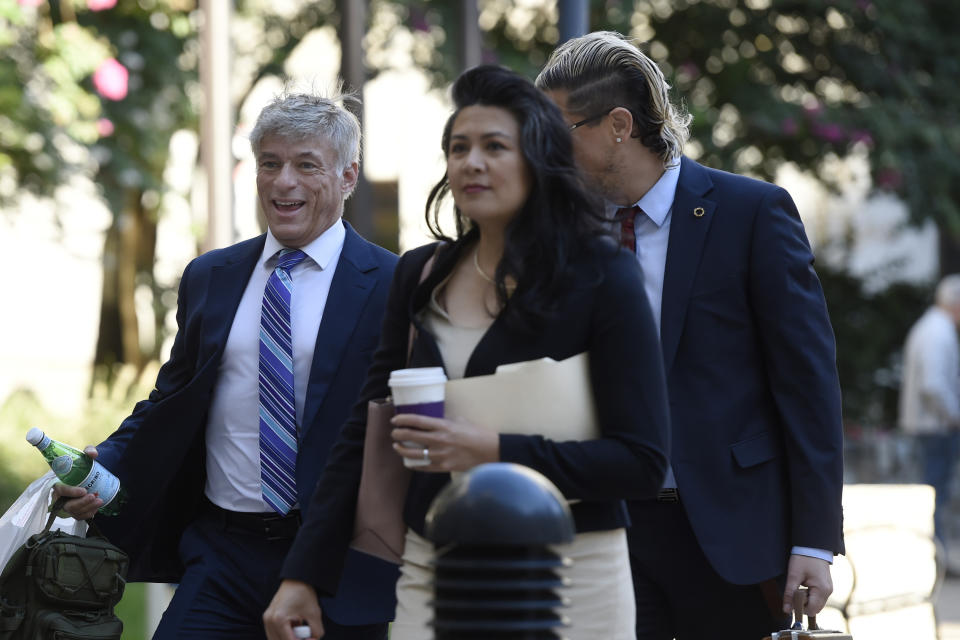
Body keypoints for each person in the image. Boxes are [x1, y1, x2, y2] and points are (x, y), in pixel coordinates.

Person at [263, 65, 670, 640]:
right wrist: (303, 574)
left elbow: (641, 462)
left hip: (570, 572)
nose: (472, 162)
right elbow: (363, 433)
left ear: (537, 159)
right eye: (459, 148)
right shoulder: (421, 275)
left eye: (494, 147)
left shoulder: (603, 275)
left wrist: (490, 450)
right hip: (435, 566)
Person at [52, 89, 399, 639]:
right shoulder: (211, 276)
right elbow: (172, 397)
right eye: (270, 164)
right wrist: (108, 461)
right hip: (223, 552)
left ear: (348, 176)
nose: (284, 181)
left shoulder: (392, 284)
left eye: (306, 165)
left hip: (337, 557)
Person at [535, 31, 845, 640]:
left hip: (732, 538)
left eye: (557, 131)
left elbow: (807, 383)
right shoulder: (559, 234)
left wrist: (815, 539)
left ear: (619, 125)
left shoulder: (750, 213)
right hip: (603, 534)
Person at [899, 274, 960, 550]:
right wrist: (953, 416)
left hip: (929, 427)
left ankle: (935, 555)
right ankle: (936, 555)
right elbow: (933, 385)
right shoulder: (939, 331)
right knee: (934, 495)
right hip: (934, 428)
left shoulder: (932, 327)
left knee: (930, 492)